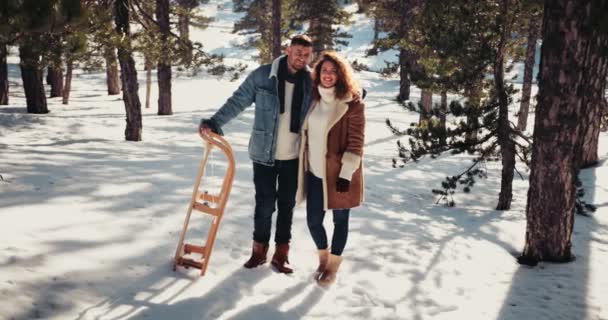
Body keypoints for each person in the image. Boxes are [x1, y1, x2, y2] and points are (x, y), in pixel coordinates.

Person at [199, 35, 314, 274]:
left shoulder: (311, 81)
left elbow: (336, 91)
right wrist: (214, 122)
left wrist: (354, 93)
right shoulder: (263, 75)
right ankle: (258, 251)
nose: (301, 59)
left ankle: (282, 255)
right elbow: (238, 100)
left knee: (286, 206)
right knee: (264, 205)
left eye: (306, 55)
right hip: (264, 154)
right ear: (287, 50)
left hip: (294, 156)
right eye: (297, 53)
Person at [295, 51, 365, 286]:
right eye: (324, 70)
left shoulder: (352, 104)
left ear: (341, 74)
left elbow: (356, 142)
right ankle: (323, 259)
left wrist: (346, 174)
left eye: (333, 71)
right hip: (314, 173)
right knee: (314, 221)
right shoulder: (313, 99)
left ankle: (332, 268)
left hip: (339, 175)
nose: (328, 75)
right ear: (318, 74)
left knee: (340, 221)